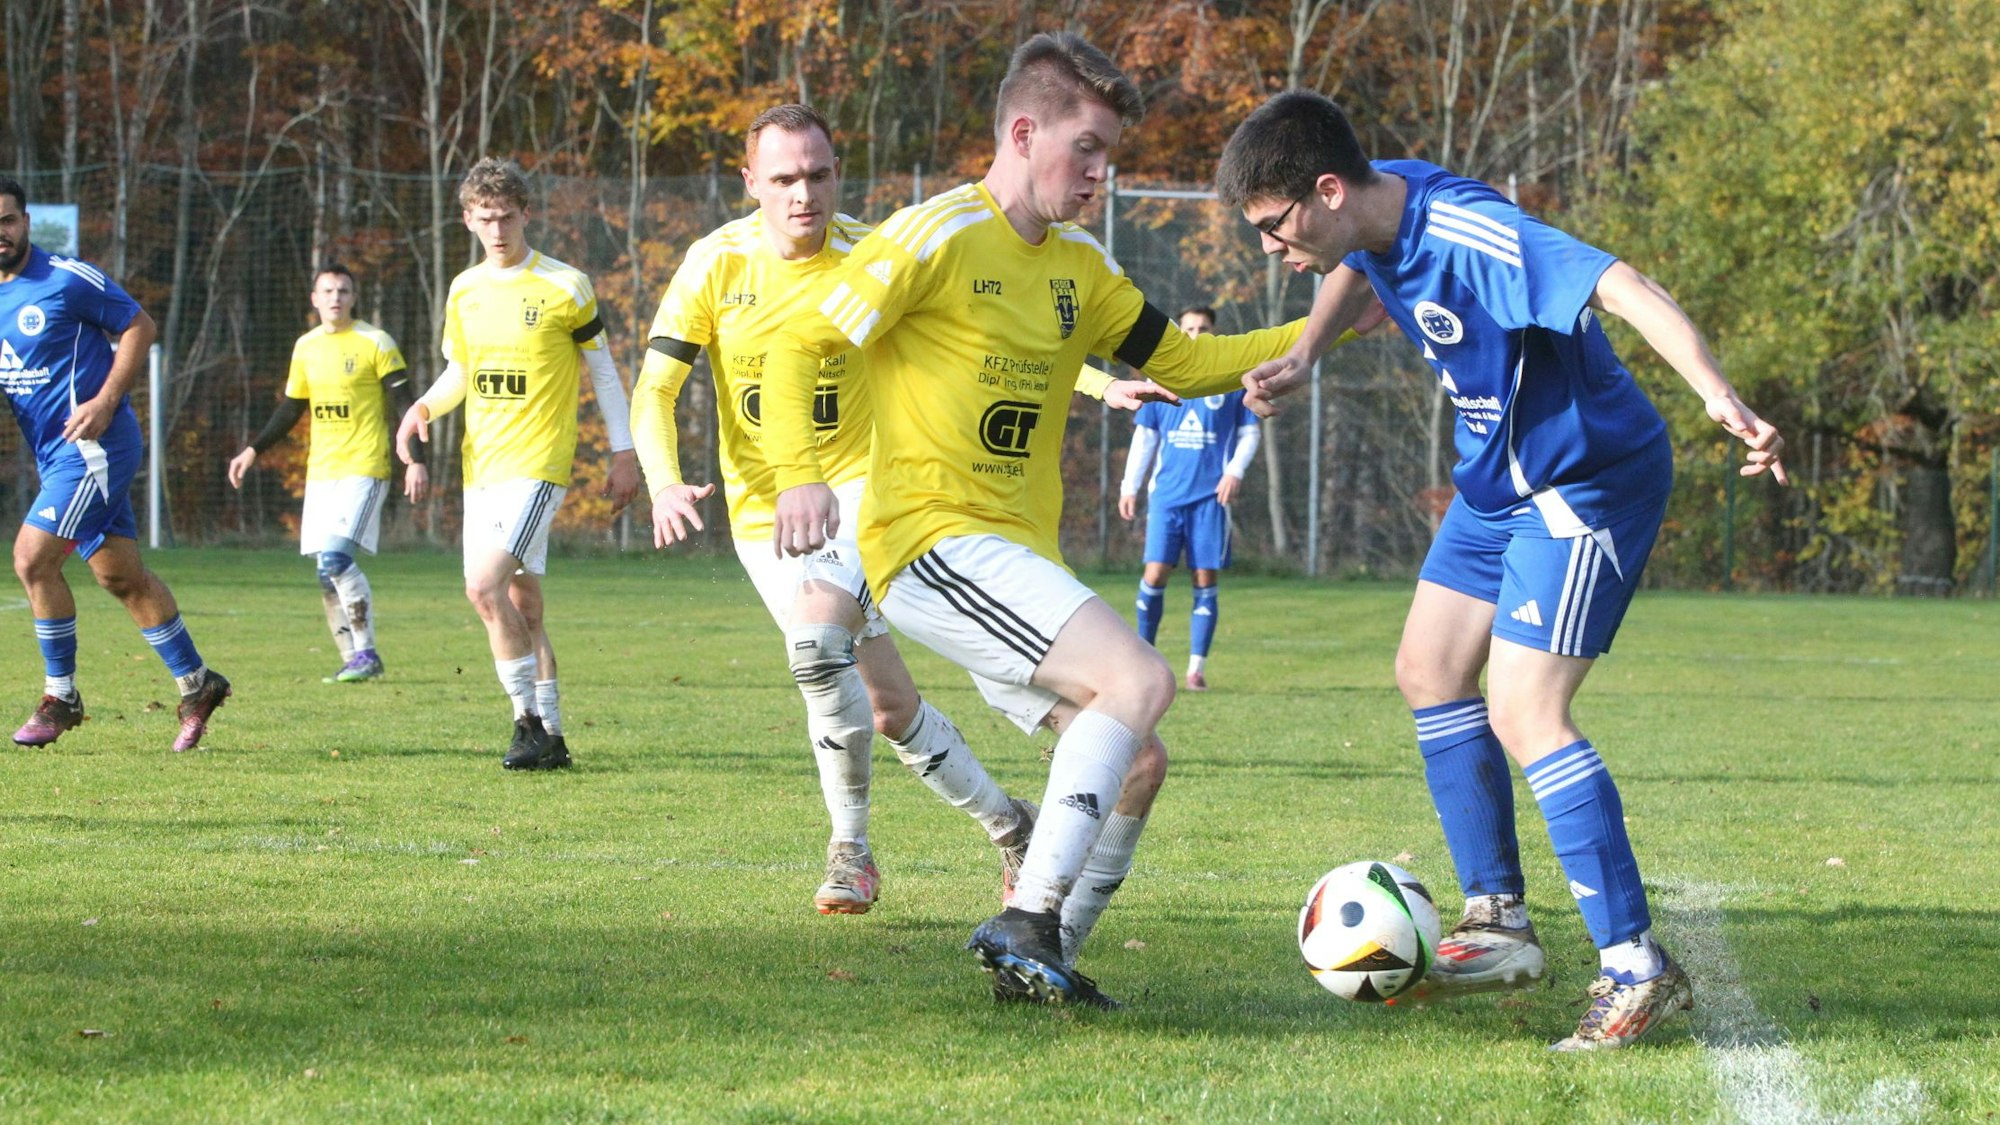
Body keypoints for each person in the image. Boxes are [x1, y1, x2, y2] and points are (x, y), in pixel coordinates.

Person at [761, 36, 1368, 1005]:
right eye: (1086, 149)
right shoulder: (937, 234)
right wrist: (798, 475)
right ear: (1021, 133)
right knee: (1141, 677)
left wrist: (1322, 332)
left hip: (1007, 562)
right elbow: (799, 344)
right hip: (931, 544)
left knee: (1138, 761)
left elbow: (1184, 363)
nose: (1099, 174)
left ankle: (1041, 963)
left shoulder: (1080, 267)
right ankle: (1028, 915)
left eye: (1107, 155)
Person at [1215, 90, 1788, 1050]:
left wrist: (1718, 394)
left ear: (1327, 190)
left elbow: (1621, 284)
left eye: (1274, 227)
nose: (1271, 248)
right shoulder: (1372, 215)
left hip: (1584, 481)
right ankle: (1500, 921)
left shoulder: (1471, 232)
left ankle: (1637, 968)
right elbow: (1353, 266)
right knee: (1428, 669)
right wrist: (1309, 350)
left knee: (1528, 711)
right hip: (1496, 483)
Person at [632, 103, 1038, 916]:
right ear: (750, 181)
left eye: (818, 175)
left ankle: (850, 849)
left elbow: (984, 341)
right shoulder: (715, 262)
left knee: (816, 646)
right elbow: (656, 389)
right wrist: (663, 482)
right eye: (784, 178)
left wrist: (1094, 380)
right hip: (761, 514)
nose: (803, 194)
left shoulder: (872, 255)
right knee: (889, 707)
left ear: (836, 174)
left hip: (861, 489)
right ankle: (1012, 824)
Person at [395, 157, 642, 771]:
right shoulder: (464, 289)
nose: (498, 230)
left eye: (507, 216)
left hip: (538, 466)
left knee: (482, 588)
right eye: (485, 219)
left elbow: (603, 372)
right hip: (482, 468)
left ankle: (525, 723)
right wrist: (422, 407)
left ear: (526, 214)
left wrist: (624, 451)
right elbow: (460, 373)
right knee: (523, 605)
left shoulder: (566, 285)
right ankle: (553, 737)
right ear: (468, 220)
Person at [1, 176, 232, 752]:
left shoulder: (64, 278)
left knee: (31, 559)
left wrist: (105, 402)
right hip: (55, 454)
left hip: (95, 447)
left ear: (26, 222)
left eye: (6, 220)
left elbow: (138, 325)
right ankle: (198, 683)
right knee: (119, 576)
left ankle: (61, 697)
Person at [227, 264, 424, 683]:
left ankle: (367, 655)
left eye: (344, 291)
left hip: (365, 467)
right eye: (328, 291)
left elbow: (407, 405)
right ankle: (352, 659)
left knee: (336, 559)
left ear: (354, 297)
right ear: (314, 299)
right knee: (324, 574)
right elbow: (291, 408)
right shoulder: (306, 347)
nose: (336, 298)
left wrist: (416, 460)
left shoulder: (375, 341)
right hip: (321, 473)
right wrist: (252, 449)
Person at [1118, 305, 1261, 691]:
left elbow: (1249, 432)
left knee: (1204, 576)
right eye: (1190, 328)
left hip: (1210, 498)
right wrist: (1129, 486)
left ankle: (1196, 668)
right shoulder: (1161, 378)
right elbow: (1145, 438)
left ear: (1214, 332)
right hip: (1166, 497)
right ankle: (1145, 660)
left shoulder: (1230, 381)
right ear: (1180, 333)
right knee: (1154, 573)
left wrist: (1234, 471)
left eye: (1204, 328)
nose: (1197, 334)